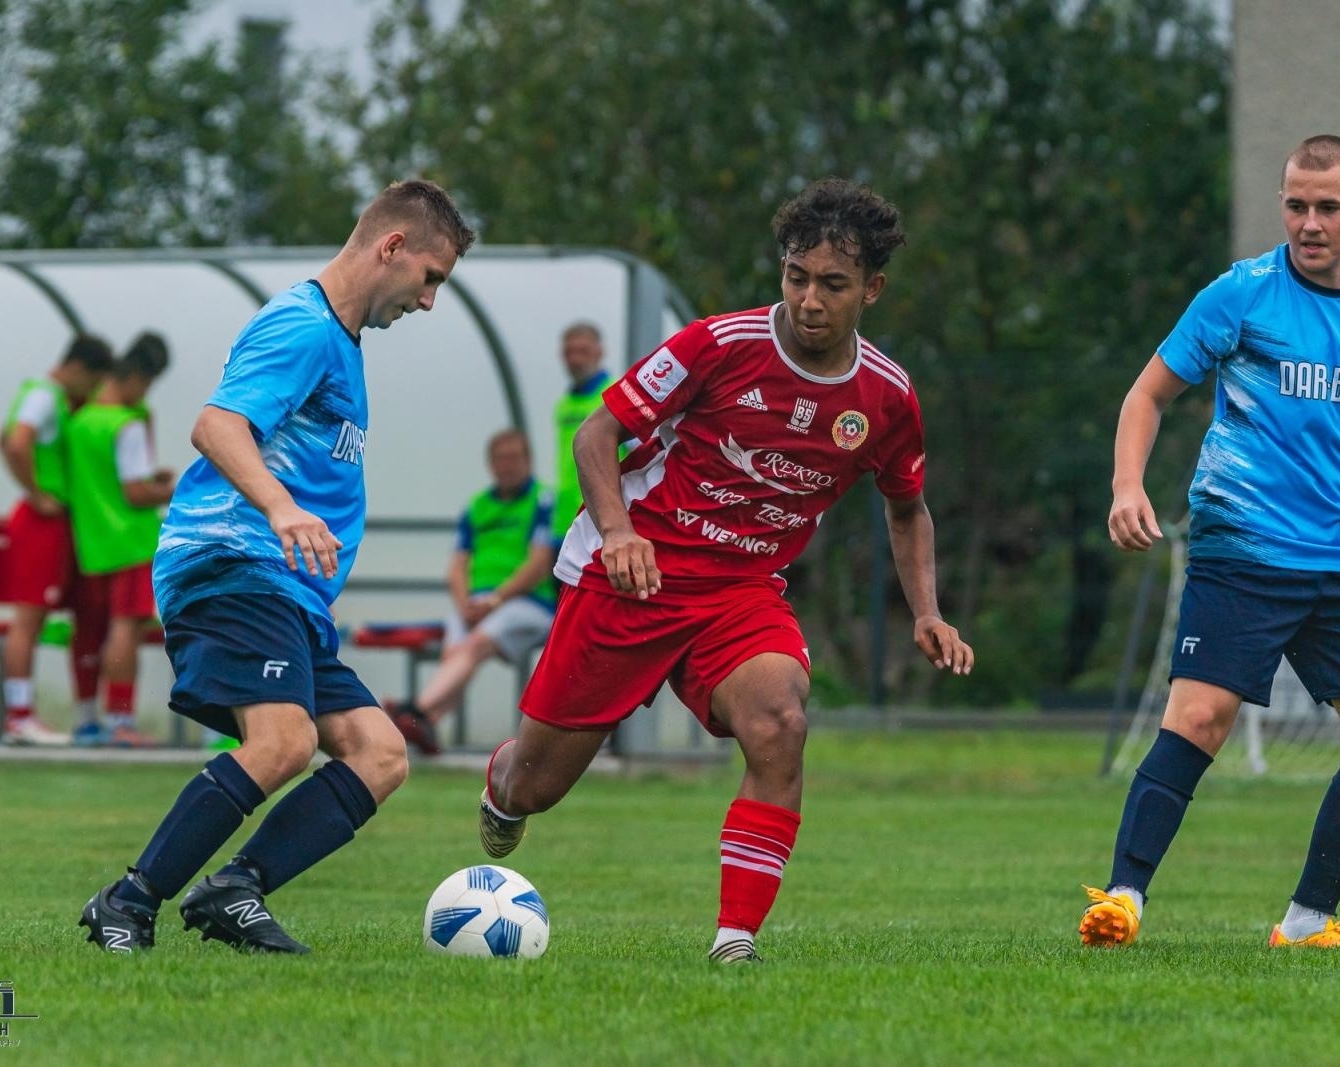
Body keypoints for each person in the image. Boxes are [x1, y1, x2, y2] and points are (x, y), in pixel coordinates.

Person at [477, 177, 974, 963]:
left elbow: (906, 507)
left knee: (781, 721)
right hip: (632, 577)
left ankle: (734, 937)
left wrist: (926, 611)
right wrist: (616, 531)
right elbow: (597, 435)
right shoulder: (718, 344)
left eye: (833, 285)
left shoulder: (885, 397)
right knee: (535, 788)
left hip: (739, 594)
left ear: (871, 289)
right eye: (796, 277)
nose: (810, 300)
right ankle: (505, 775)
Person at [1079, 135, 1340, 951]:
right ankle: (1124, 897)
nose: (1308, 223)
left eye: (1327, 207)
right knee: (1199, 716)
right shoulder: (1241, 294)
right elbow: (1148, 393)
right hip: (1241, 547)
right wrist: (1126, 485)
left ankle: (1306, 921)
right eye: (1295, 205)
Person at [79, 179, 475, 953]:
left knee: (380, 751)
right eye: (432, 279)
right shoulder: (302, 326)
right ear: (392, 247)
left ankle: (235, 887)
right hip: (232, 563)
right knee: (284, 741)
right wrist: (282, 508)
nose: (430, 302)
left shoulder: (342, 343)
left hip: (285, 592)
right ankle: (128, 900)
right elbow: (216, 424)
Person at [387, 428, 557, 755]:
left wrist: (495, 600)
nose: (507, 466)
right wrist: (465, 604)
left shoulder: (544, 500)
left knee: (476, 642)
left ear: (528, 461)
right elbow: (456, 567)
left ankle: (415, 710)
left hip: (528, 603)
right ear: (490, 464)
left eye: (513, 458)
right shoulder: (476, 506)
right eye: (500, 459)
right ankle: (427, 725)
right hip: (478, 603)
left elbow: (538, 564)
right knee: (457, 648)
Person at [0, 334, 115, 745]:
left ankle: (21, 714)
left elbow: (3, 438)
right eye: (95, 381)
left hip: (47, 522)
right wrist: (35, 491)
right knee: (28, 619)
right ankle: (19, 715)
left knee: (35, 618)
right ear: (81, 370)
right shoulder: (47, 396)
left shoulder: (38, 393)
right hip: (40, 522)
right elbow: (16, 441)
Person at [63, 333, 174, 747]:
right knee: (125, 629)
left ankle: (86, 719)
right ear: (136, 378)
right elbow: (134, 492)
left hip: (91, 543)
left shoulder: (80, 420)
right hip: (131, 541)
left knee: (89, 632)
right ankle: (121, 720)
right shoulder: (126, 423)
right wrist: (170, 490)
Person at [551, 322, 612, 540]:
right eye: (569, 352)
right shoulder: (564, 404)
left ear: (600, 352)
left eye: (583, 351)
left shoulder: (614, 397)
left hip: (602, 519)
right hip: (565, 518)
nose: (575, 359)